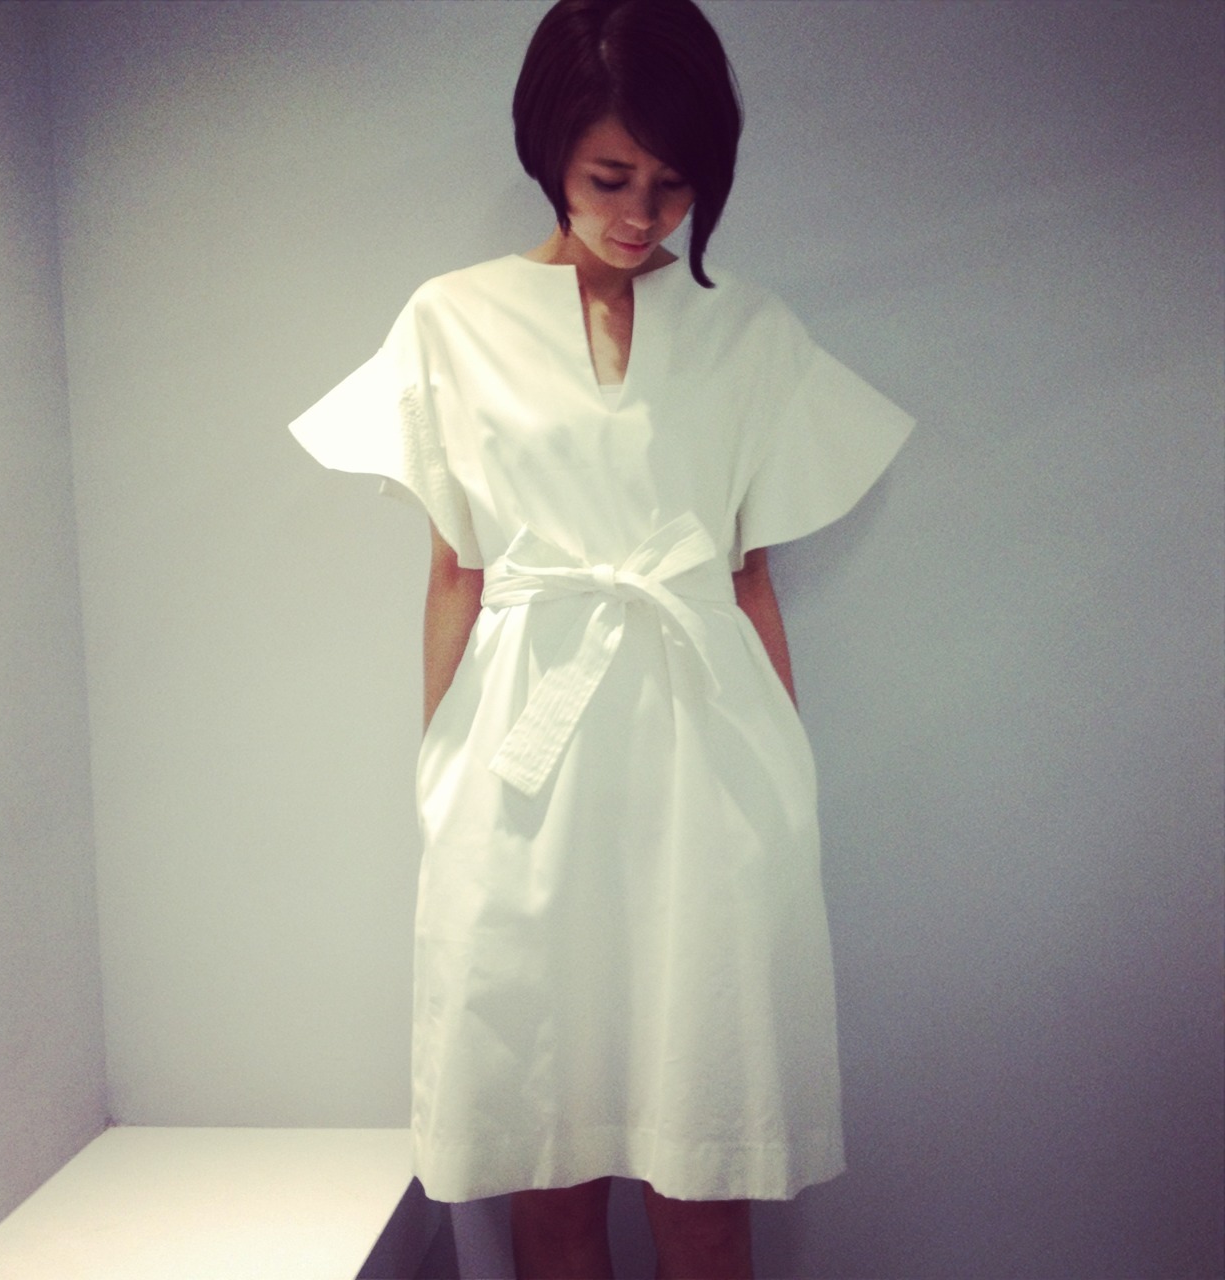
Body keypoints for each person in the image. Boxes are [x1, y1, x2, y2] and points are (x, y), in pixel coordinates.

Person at [290, 1, 913, 1275]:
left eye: (673, 185)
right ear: (548, 150)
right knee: (549, 1159)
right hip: (528, 773)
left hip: (705, 767)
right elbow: (455, 568)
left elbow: (746, 575)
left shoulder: (748, 330)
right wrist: (443, 781)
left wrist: (784, 786)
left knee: (708, 1174)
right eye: (608, 177)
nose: (641, 214)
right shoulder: (451, 320)